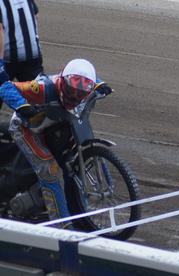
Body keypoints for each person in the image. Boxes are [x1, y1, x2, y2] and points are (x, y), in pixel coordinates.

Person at [0, 58, 112, 225]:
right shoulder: (42, 87)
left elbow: (92, 81)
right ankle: (61, 226)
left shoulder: (83, 83)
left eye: (80, 94)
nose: (74, 97)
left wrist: (101, 85)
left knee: (69, 165)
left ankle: (76, 210)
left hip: (57, 122)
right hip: (28, 126)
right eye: (70, 91)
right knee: (49, 172)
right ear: (62, 81)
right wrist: (23, 106)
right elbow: (5, 87)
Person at [0, 0, 44, 82]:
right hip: (33, 54)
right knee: (37, 98)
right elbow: (35, 15)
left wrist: (0, 61)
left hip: (9, 58)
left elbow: (0, 30)